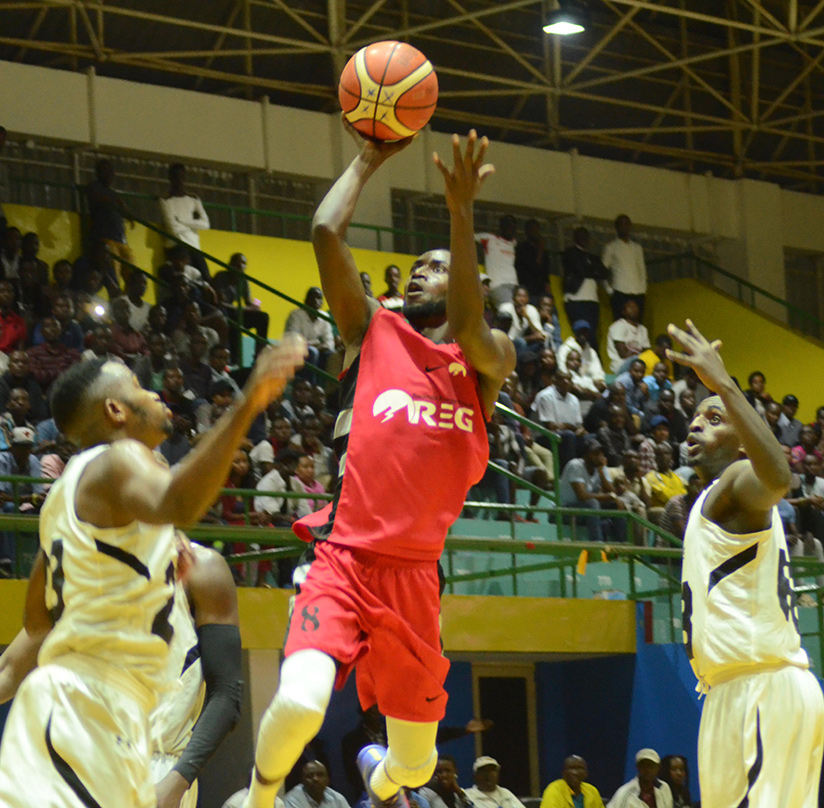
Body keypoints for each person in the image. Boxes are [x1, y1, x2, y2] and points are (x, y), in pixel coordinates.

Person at [242, 124, 514, 808]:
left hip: (416, 581)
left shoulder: (486, 361)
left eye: (438, 265)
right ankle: (261, 793)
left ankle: (377, 770)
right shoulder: (372, 332)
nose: (421, 271)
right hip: (345, 558)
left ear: (469, 285)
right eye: (415, 266)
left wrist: (460, 213)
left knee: (417, 770)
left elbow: (472, 324)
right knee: (302, 703)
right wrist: (370, 156)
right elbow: (326, 235)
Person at [0, 338, 305, 807]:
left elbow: (38, 625)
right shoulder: (120, 457)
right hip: (90, 709)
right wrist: (249, 402)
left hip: (82, 713)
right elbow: (177, 500)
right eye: (141, 387)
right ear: (116, 411)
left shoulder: (64, 508)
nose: (156, 393)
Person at [671, 318, 824, 807]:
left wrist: (725, 385)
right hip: (730, 690)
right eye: (696, 416)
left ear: (745, 440)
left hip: (761, 687)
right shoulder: (712, 500)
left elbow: (778, 478)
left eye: (715, 417)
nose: (697, 423)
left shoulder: (739, 478)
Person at [0, 537, 243, 808]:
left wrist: (176, 782)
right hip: (71, 761)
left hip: (151, 770)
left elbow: (226, 693)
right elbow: (10, 670)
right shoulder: (77, 566)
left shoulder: (202, 568)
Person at [558, 437, 626, 543]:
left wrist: (601, 473)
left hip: (584, 511)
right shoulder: (575, 465)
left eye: (600, 453)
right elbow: (582, 496)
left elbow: (612, 492)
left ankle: (623, 544)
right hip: (564, 510)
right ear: (586, 455)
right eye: (595, 453)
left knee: (615, 504)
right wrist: (608, 496)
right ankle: (596, 542)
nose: (599, 456)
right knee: (592, 503)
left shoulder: (600, 467)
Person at [159, 163, 211, 281]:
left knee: (207, 279)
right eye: (176, 177)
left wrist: (182, 221)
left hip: (194, 246)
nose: (179, 180)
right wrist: (193, 224)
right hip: (176, 245)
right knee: (186, 279)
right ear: (170, 179)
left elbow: (205, 224)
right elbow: (173, 228)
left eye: (181, 177)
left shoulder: (193, 199)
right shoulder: (165, 199)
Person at [85, 157, 132, 285]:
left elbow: (125, 210)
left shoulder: (114, 193)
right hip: (105, 239)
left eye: (111, 171)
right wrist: (114, 201)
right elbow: (96, 197)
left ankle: (130, 297)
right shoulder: (94, 186)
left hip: (120, 239)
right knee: (114, 269)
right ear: (98, 173)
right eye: (105, 171)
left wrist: (128, 214)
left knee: (132, 268)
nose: (110, 174)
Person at [561, 226, 608, 347]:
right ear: (574, 238)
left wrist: (589, 269)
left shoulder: (592, 257)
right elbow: (581, 270)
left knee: (592, 335)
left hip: (592, 301)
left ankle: (592, 360)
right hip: (576, 300)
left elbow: (604, 273)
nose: (584, 239)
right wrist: (593, 270)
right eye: (581, 236)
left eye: (586, 237)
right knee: (581, 333)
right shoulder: (570, 252)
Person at [531, 370, 584, 469]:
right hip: (543, 437)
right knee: (569, 436)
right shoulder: (546, 396)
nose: (566, 382)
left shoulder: (574, 399)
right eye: (562, 379)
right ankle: (567, 473)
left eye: (568, 379)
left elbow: (579, 425)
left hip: (566, 435)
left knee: (589, 439)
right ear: (555, 381)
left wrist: (580, 430)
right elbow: (551, 426)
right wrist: (572, 427)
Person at [284, 287, 336, 379]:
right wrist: (315, 344)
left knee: (331, 355)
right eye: (313, 297)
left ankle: (327, 390)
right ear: (306, 300)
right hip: (293, 354)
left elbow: (329, 343)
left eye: (319, 298)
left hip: (316, 352)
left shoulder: (324, 317)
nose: (316, 301)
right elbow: (293, 342)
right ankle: (310, 386)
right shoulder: (296, 315)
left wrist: (313, 346)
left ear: (322, 302)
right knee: (312, 352)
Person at [602, 215, 646, 321]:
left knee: (637, 327)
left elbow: (642, 271)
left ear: (630, 226)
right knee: (620, 326)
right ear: (616, 227)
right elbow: (602, 272)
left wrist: (643, 289)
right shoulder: (611, 247)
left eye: (626, 224)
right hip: (620, 293)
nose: (624, 227)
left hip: (638, 293)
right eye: (621, 224)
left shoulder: (637, 248)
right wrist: (611, 291)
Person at [26, 315, 82, 392]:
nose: (52, 329)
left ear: (61, 330)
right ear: (42, 331)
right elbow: (37, 377)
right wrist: (63, 372)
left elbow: (75, 375)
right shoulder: (32, 353)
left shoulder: (72, 353)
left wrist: (47, 373)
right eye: (47, 326)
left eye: (55, 326)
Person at [476, 214, 518, 307]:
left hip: (514, 285)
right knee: (509, 310)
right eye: (507, 225)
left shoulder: (514, 243)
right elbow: (468, 236)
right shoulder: (489, 238)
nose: (509, 228)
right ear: (501, 227)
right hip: (499, 285)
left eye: (512, 226)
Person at [607, 749, 672, 808]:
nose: (647, 770)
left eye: (651, 766)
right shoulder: (625, 793)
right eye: (643, 766)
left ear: (658, 768)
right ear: (637, 767)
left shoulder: (664, 788)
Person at [540, 755, 605, 808]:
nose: (575, 772)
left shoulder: (592, 791)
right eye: (571, 768)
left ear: (586, 773)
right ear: (564, 773)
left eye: (579, 768)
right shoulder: (554, 790)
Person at [557, 320, 605, 390]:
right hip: (572, 384)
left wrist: (599, 381)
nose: (583, 335)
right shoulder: (565, 349)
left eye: (585, 332)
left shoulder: (591, 352)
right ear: (575, 333)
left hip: (590, 384)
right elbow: (562, 370)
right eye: (580, 332)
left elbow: (597, 372)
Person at [607, 300, 650, 375]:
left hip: (639, 365)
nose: (633, 309)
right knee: (636, 360)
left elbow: (646, 353)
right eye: (630, 307)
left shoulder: (643, 329)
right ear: (624, 312)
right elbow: (623, 354)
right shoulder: (619, 326)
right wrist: (639, 354)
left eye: (635, 307)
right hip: (621, 365)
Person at [515, 218, 551, 305]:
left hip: (542, 291)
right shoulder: (522, 248)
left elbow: (546, 272)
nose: (535, 233)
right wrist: (540, 251)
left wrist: (548, 291)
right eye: (532, 230)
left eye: (537, 230)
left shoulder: (543, 251)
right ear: (527, 232)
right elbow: (534, 267)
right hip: (528, 290)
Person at [285, 761, 350, 808]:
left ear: (328, 780)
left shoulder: (337, 799)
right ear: (303, 781)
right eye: (310, 776)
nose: (316, 779)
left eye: (320, 775)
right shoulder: (292, 801)